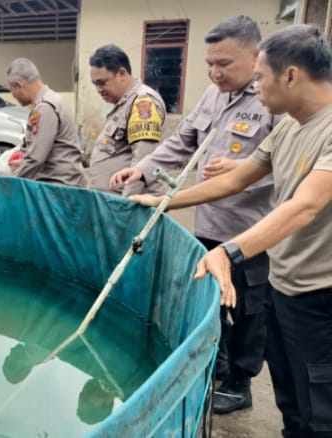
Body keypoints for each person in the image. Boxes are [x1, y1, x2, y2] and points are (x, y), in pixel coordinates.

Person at [131, 24, 332, 437]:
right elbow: (235, 179)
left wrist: (229, 251)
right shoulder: (292, 124)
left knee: (321, 409)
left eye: (260, 77)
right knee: (290, 400)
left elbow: (306, 205)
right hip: (285, 284)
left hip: (321, 296)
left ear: (290, 75)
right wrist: (162, 201)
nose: (255, 87)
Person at [111, 16, 279, 414]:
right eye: (210, 64)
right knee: (213, 302)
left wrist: (242, 175)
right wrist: (145, 168)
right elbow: (183, 140)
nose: (216, 72)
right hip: (208, 223)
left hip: (252, 230)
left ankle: (241, 382)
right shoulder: (212, 96)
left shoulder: (273, 100)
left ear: (255, 57)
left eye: (225, 63)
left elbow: (286, 168)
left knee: (249, 309)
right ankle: (217, 371)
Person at [87, 44, 166, 195]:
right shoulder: (124, 103)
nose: (99, 90)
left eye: (102, 83)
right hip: (113, 201)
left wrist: (126, 206)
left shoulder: (143, 102)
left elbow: (142, 161)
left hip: (130, 205)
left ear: (122, 73)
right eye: (95, 84)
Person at [5, 58, 87, 187]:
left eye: (12, 90)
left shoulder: (45, 107)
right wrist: (23, 161)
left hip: (58, 185)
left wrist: (11, 183)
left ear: (19, 85)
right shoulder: (52, 99)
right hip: (63, 181)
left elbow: (36, 158)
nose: (13, 95)